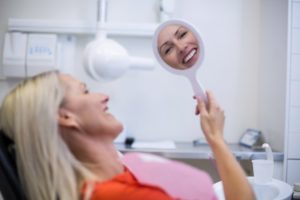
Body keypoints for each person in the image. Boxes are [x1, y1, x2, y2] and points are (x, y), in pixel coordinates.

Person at [0, 71, 255, 200]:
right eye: (85, 91)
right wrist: (216, 139)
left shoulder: (111, 180)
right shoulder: (121, 196)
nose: (104, 96)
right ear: (66, 117)